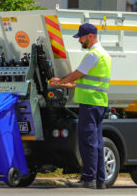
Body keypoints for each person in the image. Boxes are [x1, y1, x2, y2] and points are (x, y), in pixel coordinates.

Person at [50, 23, 111, 190]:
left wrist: (60, 81)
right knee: (97, 142)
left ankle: (88, 178)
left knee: (87, 142)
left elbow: (78, 74)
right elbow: (86, 82)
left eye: (81, 37)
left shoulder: (93, 55)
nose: (80, 41)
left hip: (90, 104)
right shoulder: (104, 55)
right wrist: (65, 85)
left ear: (90, 36)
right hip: (99, 103)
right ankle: (100, 180)